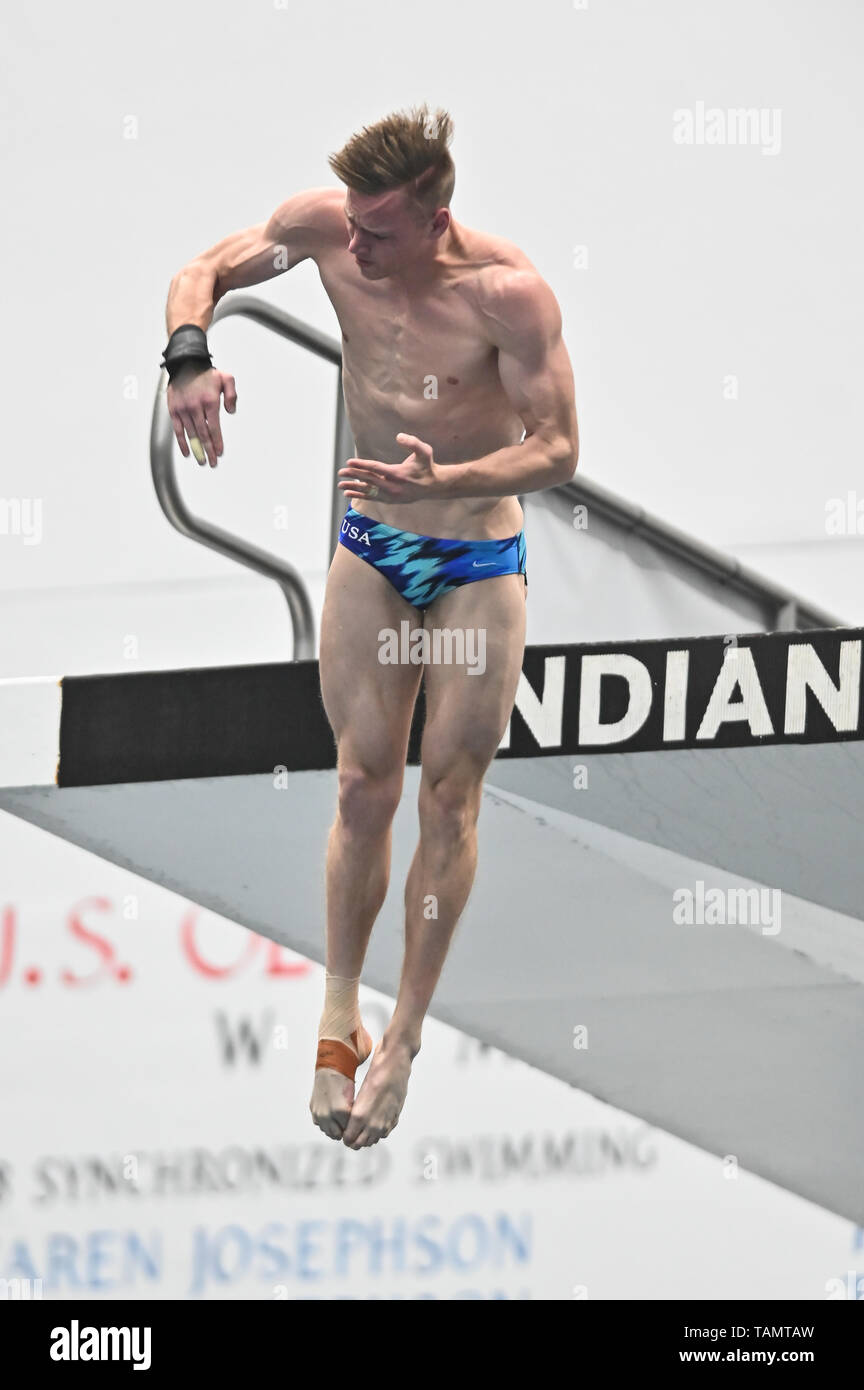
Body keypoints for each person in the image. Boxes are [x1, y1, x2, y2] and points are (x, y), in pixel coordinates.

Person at [162, 103, 579, 1149]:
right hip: (374, 544)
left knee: (448, 798)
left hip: (477, 556)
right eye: (350, 222)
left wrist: (458, 476)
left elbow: (561, 447)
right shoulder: (324, 228)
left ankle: (405, 1037)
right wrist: (188, 361)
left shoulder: (508, 296)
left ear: (435, 222)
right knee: (362, 785)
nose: (353, 246)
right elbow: (202, 268)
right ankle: (340, 1019)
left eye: (378, 233)